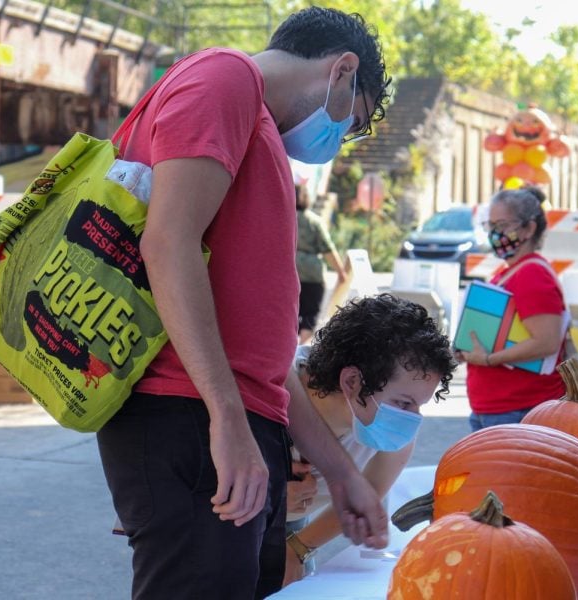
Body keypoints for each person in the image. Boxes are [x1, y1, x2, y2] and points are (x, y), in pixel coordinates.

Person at [95, 7, 393, 599]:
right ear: (342, 70)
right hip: (189, 415)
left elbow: (266, 355)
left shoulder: (252, 125)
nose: (336, 138)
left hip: (223, 419)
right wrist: (228, 421)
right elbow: (168, 243)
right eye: (349, 123)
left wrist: (342, 475)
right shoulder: (225, 80)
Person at [282, 294, 457, 585]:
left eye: (420, 405)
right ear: (351, 382)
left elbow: (365, 498)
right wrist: (269, 501)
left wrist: (297, 549)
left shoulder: (392, 436)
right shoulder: (275, 391)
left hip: (292, 529)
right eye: (403, 404)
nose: (413, 419)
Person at [454, 186, 568, 430]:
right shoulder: (512, 272)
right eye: (491, 226)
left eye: (503, 225)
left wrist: (488, 359)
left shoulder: (531, 274)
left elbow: (546, 342)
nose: (495, 234)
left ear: (529, 228)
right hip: (501, 409)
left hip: (518, 409)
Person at [295, 184, 348, 343]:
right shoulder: (314, 221)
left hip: (288, 271)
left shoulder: (282, 218)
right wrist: (341, 271)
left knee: (288, 312)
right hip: (312, 274)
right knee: (310, 314)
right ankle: (299, 349)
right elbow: (327, 248)